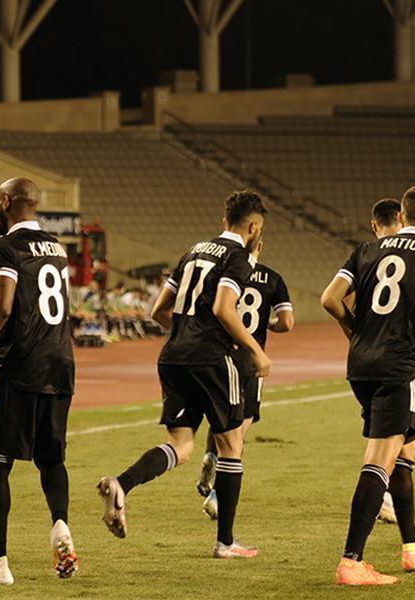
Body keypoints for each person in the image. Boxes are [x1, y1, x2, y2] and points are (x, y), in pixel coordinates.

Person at [97, 190, 271, 560]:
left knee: (181, 446)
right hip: (212, 358)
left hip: (173, 356)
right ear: (254, 227)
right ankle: (225, 543)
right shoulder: (239, 257)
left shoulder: (193, 251)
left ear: (224, 220)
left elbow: (157, 309)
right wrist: (255, 350)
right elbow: (224, 309)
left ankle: (122, 484)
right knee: (231, 447)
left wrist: (185, 335)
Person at [322, 185, 415, 585]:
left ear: (402, 216)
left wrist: (358, 332)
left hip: (362, 364)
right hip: (400, 365)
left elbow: (330, 299)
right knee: (380, 459)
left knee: (405, 451)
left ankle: (412, 545)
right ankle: (351, 561)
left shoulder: (367, 250)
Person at [0, 178, 79, 585]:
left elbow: (2, 307)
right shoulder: (57, 247)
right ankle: (60, 525)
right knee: (51, 459)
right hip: (60, 362)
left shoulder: (3, 247)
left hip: (20, 365)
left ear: (5, 202)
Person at [197, 237, 294, 519]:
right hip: (250, 361)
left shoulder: (222, 273)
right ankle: (217, 495)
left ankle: (211, 455)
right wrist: (268, 324)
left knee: (221, 415)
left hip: (219, 357)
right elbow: (287, 323)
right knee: (238, 433)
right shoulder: (273, 279)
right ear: (259, 246)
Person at [362, 199, 415, 528]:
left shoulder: (367, 254)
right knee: (404, 437)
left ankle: (396, 515)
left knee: (381, 433)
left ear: (373, 224)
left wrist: (358, 332)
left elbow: (337, 299)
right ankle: (386, 498)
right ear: (402, 218)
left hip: (367, 358)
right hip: (405, 357)